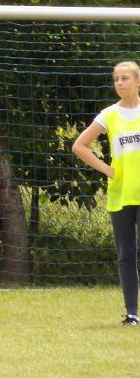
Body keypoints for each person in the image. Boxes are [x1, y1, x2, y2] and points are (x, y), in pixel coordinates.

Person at [72, 61, 140, 326]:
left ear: (137, 81)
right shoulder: (109, 114)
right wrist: (108, 170)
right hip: (121, 194)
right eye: (116, 79)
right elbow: (79, 146)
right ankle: (132, 313)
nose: (119, 83)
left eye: (125, 78)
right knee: (126, 254)